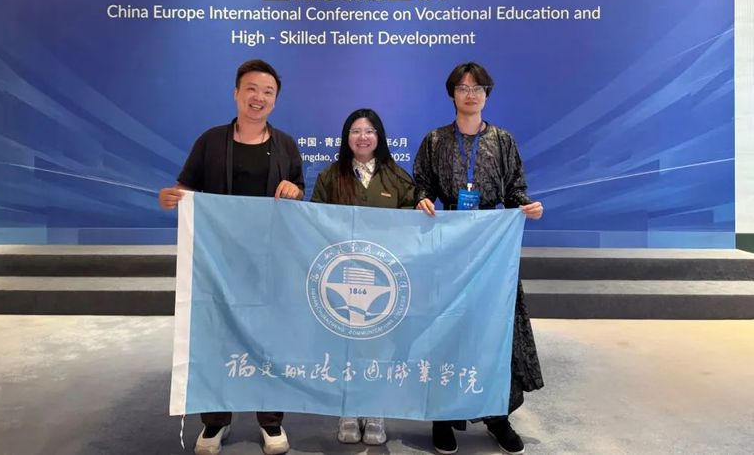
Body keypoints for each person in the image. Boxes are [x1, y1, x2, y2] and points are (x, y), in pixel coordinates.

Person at [159, 59, 304, 455]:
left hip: (270, 261)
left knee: (269, 339)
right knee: (216, 337)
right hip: (218, 261)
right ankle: (215, 421)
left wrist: (294, 191)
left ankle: (270, 421)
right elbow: (185, 187)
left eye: (268, 92)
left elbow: (298, 193)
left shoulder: (286, 145)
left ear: (275, 101)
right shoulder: (210, 141)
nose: (259, 97)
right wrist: (172, 197)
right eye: (251, 89)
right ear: (237, 93)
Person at [414, 62, 544, 455]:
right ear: (451, 93)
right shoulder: (436, 140)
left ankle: (496, 414)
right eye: (463, 87)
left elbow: (516, 187)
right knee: (448, 327)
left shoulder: (503, 140)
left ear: (487, 94)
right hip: (450, 244)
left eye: (478, 88)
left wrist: (526, 205)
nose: (470, 94)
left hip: (492, 245)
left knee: (494, 327)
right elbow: (421, 185)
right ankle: (442, 416)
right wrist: (421, 200)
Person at [310, 108, 417, 445]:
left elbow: (412, 221)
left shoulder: (397, 177)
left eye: (369, 130)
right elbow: (314, 221)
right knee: (344, 344)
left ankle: (375, 411)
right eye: (355, 131)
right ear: (346, 138)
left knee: (379, 345)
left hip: (383, 281)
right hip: (341, 277)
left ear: (379, 137)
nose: (362, 137)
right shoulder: (330, 176)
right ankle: (348, 410)